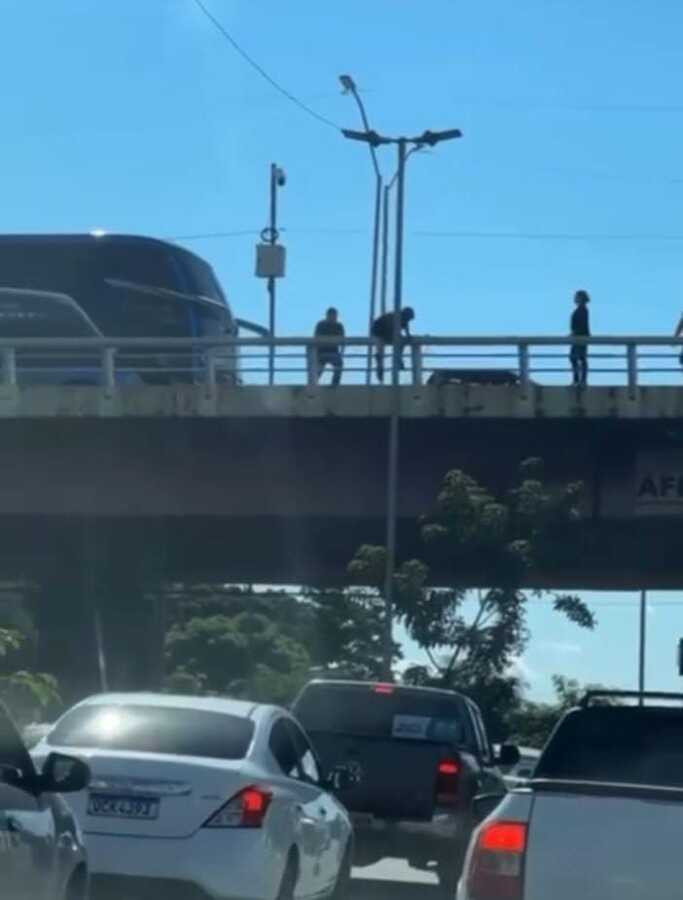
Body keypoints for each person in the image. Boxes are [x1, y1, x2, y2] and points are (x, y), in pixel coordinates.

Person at [371, 306, 415, 383]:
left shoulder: (404, 320)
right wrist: (398, 336)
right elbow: (390, 327)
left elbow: (407, 332)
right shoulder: (395, 317)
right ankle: (381, 365)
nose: (408, 320)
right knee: (381, 348)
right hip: (379, 329)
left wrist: (407, 337)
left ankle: (397, 358)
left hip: (384, 331)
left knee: (401, 341)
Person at [313, 307, 344, 386]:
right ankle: (313, 384)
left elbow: (343, 340)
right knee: (318, 371)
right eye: (331, 315)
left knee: (339, 364)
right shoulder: (321, 325)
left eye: (334, 315)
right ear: (327, 315)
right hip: (321, 353)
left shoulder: (339, 326)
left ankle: (334, 384)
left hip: (333, 352)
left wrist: (341, 353)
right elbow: (316, 339)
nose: (333, 317)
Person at [570, 290, 590, 387]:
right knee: (577, 358)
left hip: (580, 337)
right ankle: (579, 380)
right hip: (578, 336)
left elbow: (582, 325)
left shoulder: (583, 310)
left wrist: (575, 333)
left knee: (578, 358)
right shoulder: (581, 309)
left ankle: (580, 380)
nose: (575, 298)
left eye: (576, 296)